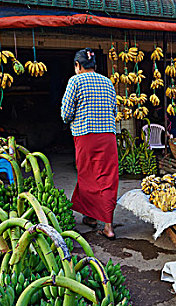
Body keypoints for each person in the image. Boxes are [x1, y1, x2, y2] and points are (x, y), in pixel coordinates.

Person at [61, 48, 118, 240]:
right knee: (107, 177)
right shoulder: (108, 82)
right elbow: (114, 110)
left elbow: (65, 114)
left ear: (78, 65)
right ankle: (107, 226)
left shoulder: (75, 81)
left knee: (88, 176)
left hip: (86, 136)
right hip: (108, 136)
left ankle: (92, 218)